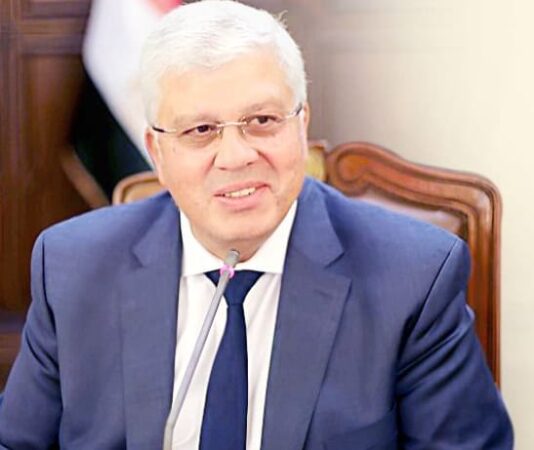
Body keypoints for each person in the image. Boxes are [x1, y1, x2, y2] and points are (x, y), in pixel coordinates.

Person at [0, 1, 513, 449]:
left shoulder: (413, 278)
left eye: (262, 121)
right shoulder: (74, 268)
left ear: (302, 125)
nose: (236, 156)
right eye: (201, 130)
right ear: (157, 152)